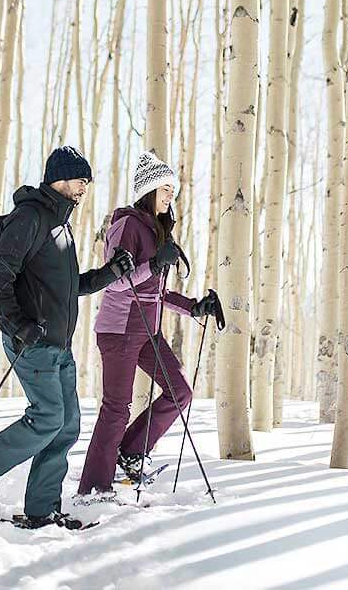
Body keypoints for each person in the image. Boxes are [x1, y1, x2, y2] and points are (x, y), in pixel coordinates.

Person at [0, 145, 134, 529]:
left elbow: (68, 287)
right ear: (60, 178)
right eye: (80, 179)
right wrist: (19, 324)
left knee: (66, 425)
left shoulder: (61, 226)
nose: (85, 187)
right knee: (48, 418)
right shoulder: (30, 218)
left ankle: (42, 508)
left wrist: (111, 272)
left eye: (87, 181)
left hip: (58, 346)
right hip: (31, 342)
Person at [76, 151, 221, 499]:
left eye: (173, 189)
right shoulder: (126, 225)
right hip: (120, 329)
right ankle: (95, 486)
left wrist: (195, 307)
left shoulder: (156, 230)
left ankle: (131, 452)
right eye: (165, 188)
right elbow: (115, 282)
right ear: (148, 189)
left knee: (180, 391)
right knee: (117, 407)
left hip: (147, 331)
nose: (171, 195)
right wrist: (154, 264)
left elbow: (156, 291)